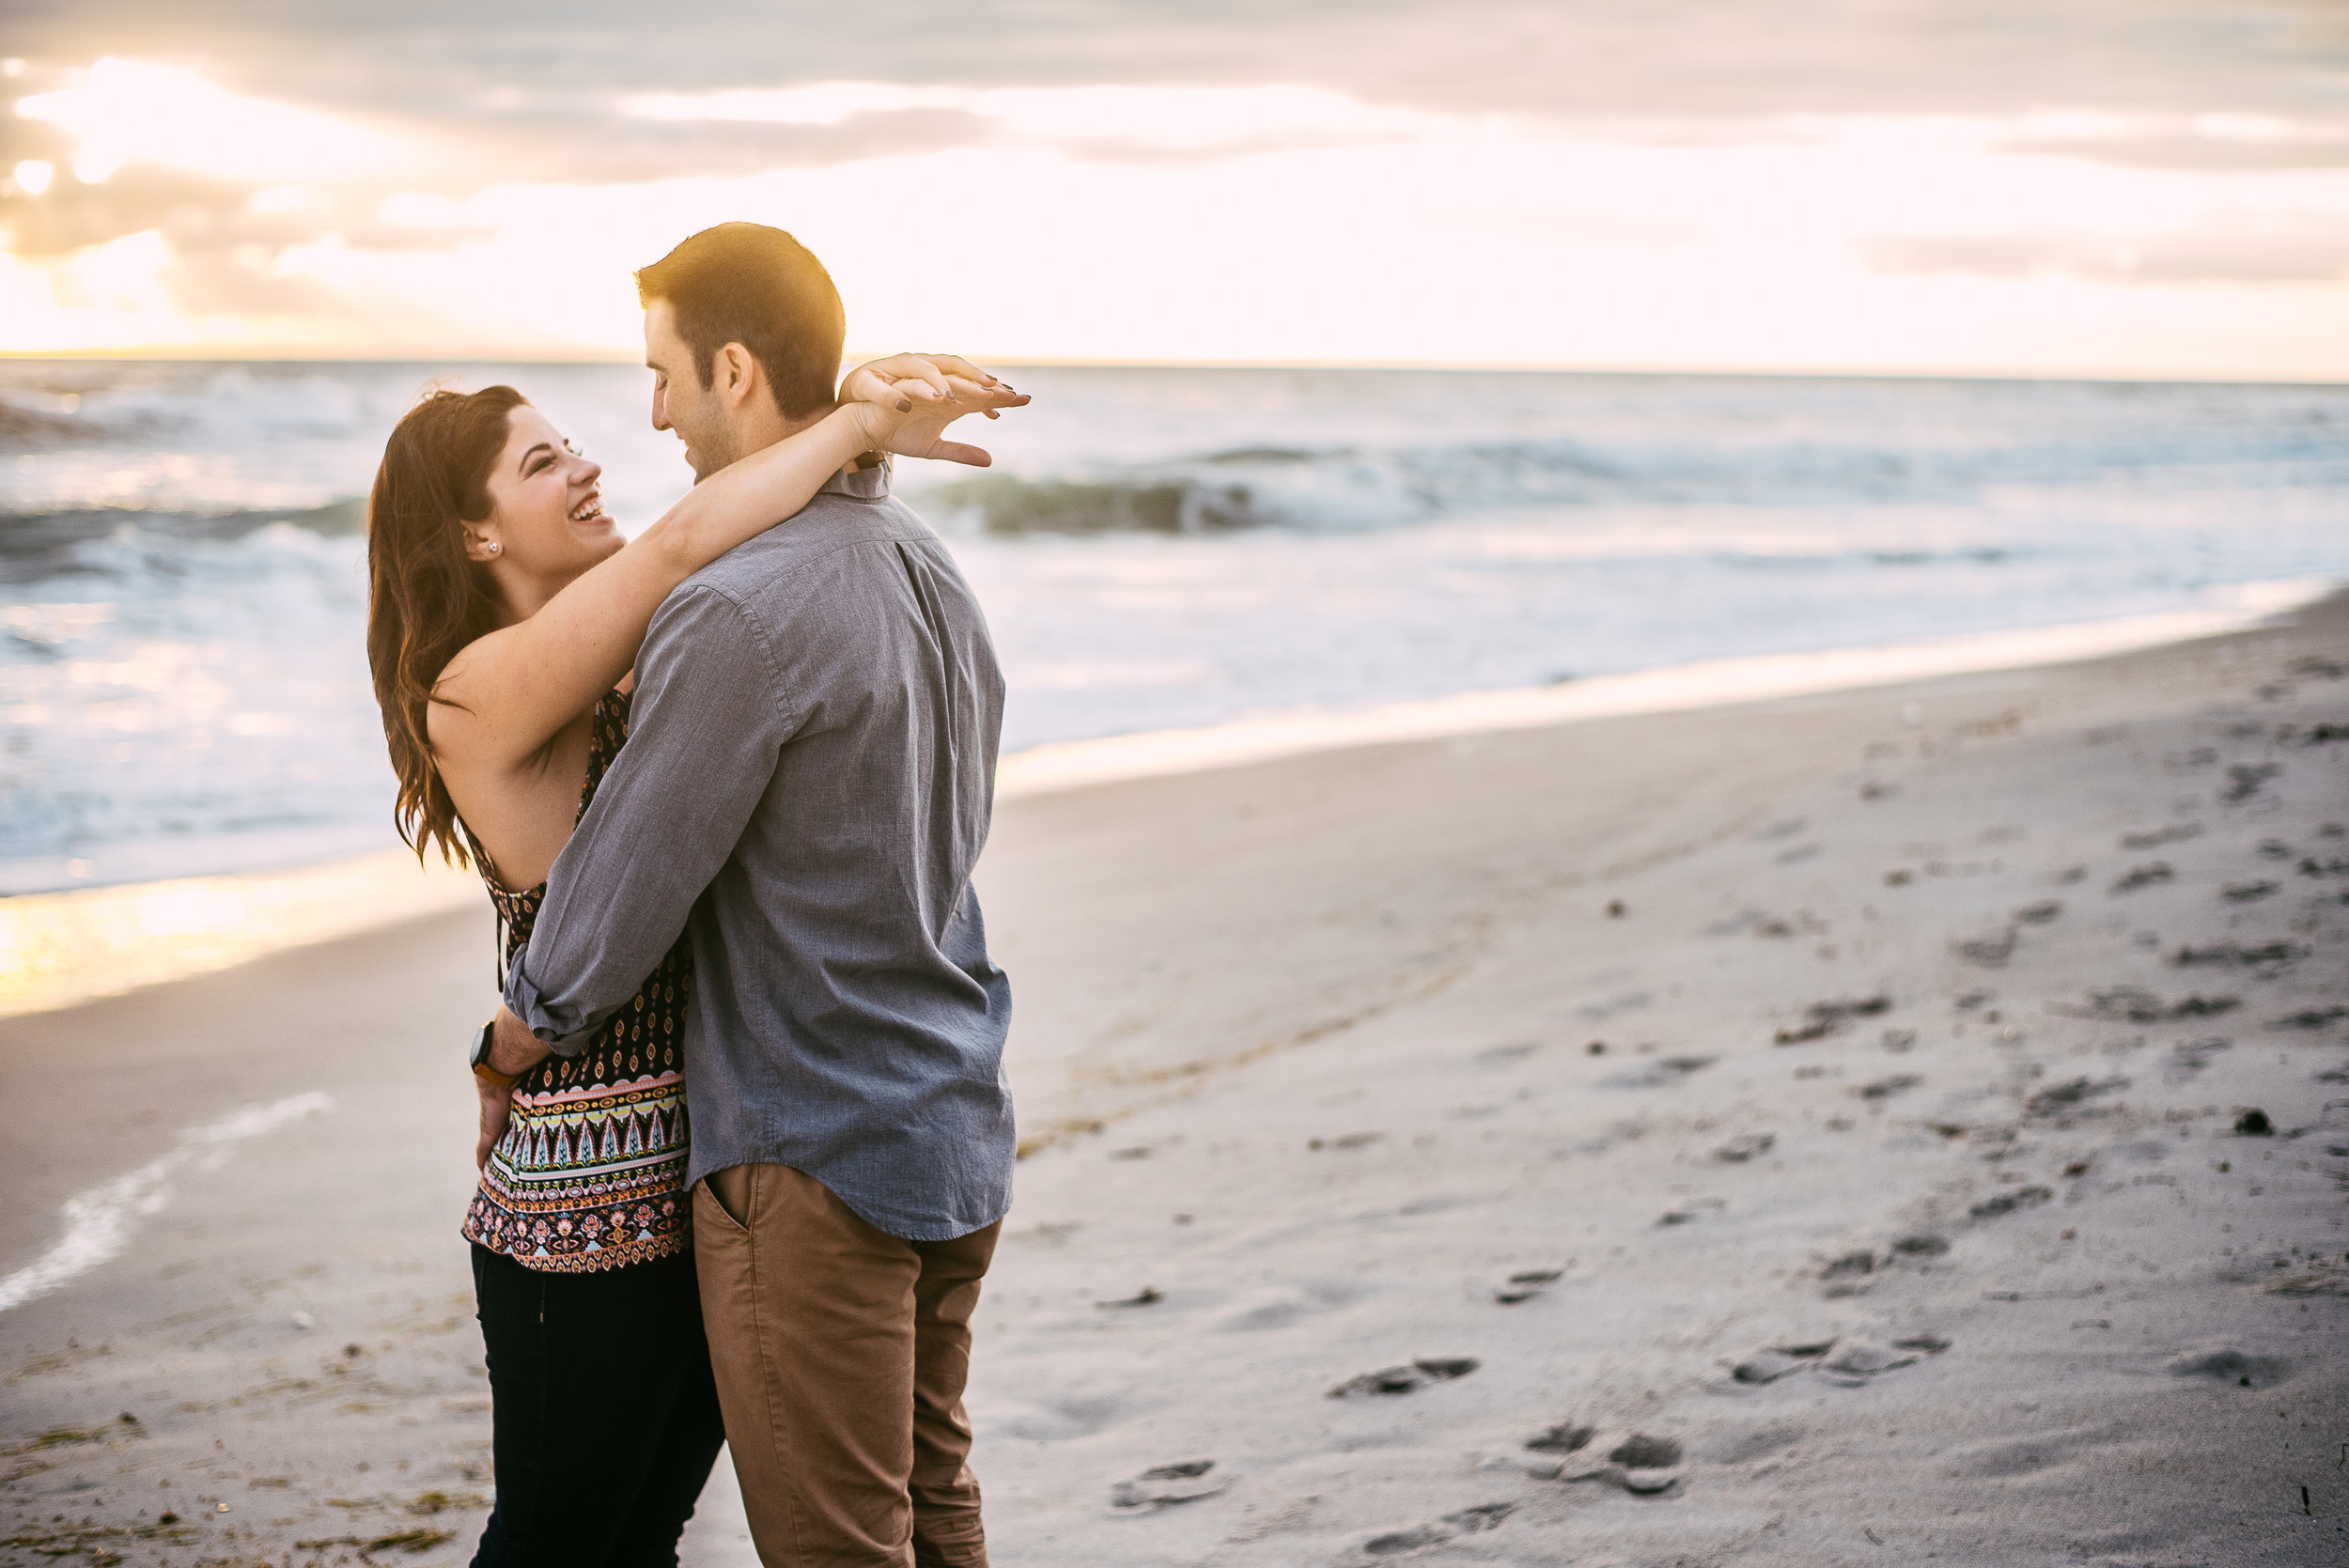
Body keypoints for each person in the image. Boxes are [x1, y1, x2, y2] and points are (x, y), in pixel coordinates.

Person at [364, 338, 1021, 1567]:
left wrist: (859, 432)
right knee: (557, 1542)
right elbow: (683, 541)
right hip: (579, 1198)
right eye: (542, 460)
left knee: (644, 1537)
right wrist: (850, 426)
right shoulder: (474, 690)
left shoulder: (622, 642)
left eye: (574, 442)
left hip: (703, 1168)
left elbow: (738, 537)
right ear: (475, 539)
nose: (590, 464)